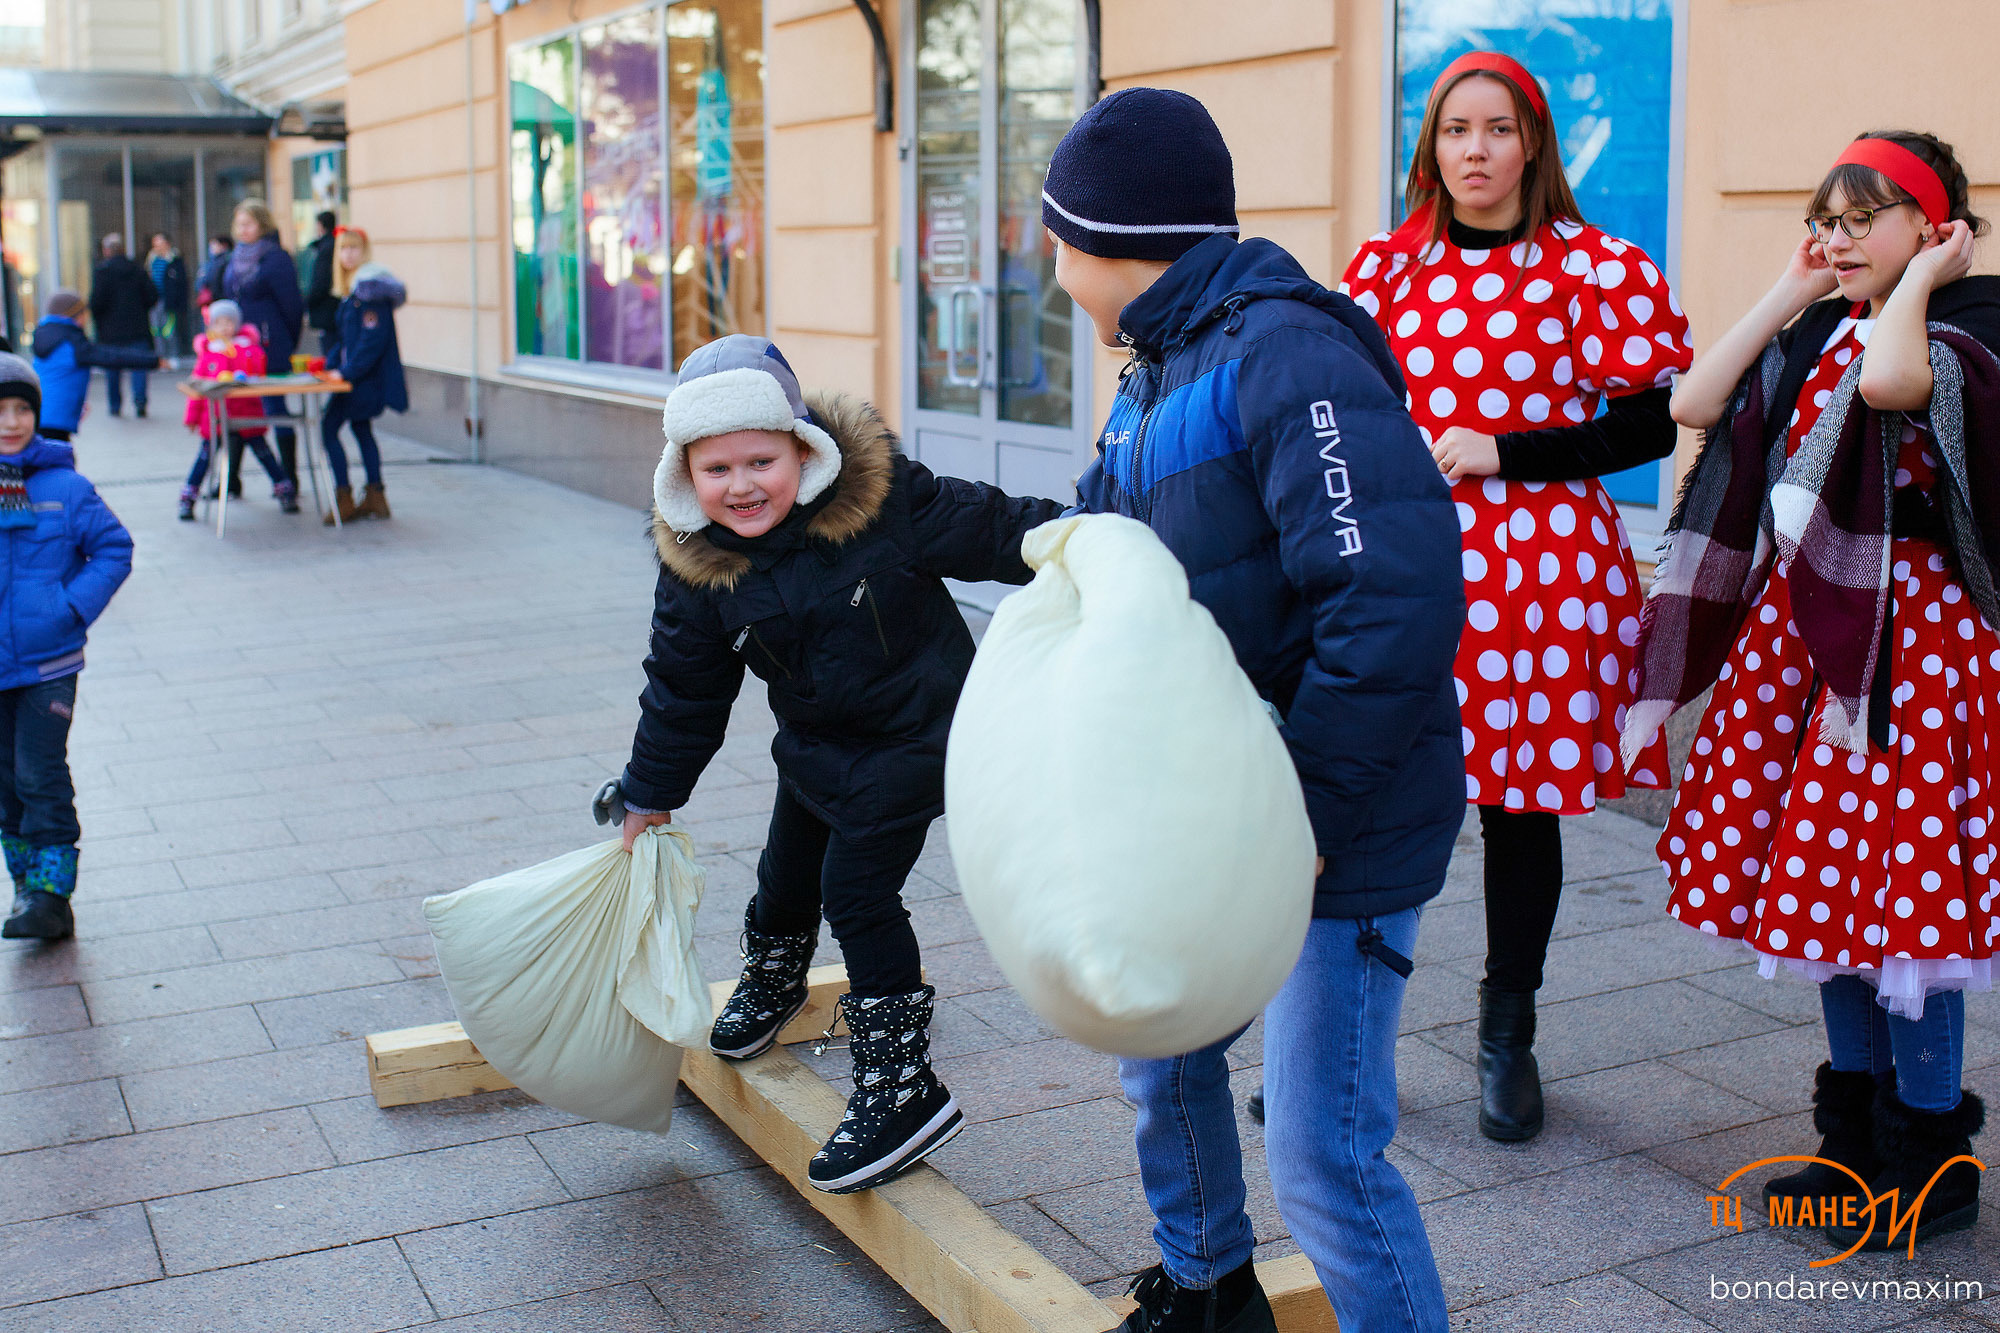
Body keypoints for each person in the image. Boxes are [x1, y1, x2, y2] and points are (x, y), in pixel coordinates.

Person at [1048, 89, 1463, 1333]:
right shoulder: (1160, 365)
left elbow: (1388, 598)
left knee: (1323, 1155)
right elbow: (1096, 543)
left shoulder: (1286, 357)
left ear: (1111, 243)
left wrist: (1307, 809)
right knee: (1160, 1050)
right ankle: (1208, 1288)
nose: (1052, 260)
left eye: (1059, 235)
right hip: (1212, 802)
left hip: (1331, 821)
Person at [1629, 130, 1999, 1251]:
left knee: (1908, 912)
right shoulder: (1820, 324)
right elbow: (1692, 402)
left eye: (1861, 220)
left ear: (1930, 229)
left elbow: (1893, 382)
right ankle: (1851, 1144)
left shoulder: (1967, 322)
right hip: (1801, 650)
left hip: (1910, 652)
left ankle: (1928, 1160)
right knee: (1823, 896)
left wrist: (1927, 275)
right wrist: (1791, 288)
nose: (1835, 239)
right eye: (1824, 220)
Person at [608, 334, 1065, 1196]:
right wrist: (649, 795)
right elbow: (683, 687)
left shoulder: (881, 501)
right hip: (818, 741)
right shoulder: (701, 565)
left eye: (760, 460)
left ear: (803, 450)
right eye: (717, 469)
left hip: (922, 734)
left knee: (855, 889)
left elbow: (998, 528)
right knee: (786, 872)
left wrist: (1089, 537)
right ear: (685, 474)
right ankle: (776, 979)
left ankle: (902, 1085)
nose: (742, 486)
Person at [1334, 51, 1693, 1144]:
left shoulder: (1591, 267)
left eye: (1495, 130)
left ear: (1530, 142)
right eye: (1453, 131)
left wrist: (1506, 448)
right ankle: (1340, 1045)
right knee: (1361, 799)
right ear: (1428, 148)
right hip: (1401, 560)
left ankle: (1505, 1032)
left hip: (1539, 574)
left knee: (1517, 809)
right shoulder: (1383, 270)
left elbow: (1645, 421)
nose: (1473, 151)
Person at [0, 355, 134, 941]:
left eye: (22, 408)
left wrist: (70, 608)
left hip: (48, 662)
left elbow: (113, 547)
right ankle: (27, 888)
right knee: (5, 783)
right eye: (0, 410)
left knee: (38, 773)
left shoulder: (65, 485)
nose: (12, 421)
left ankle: (53, 897)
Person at [179, 300, 295, 520]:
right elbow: (198, 389)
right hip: (215, 419)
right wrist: (192, 418)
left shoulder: (248, 348)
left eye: (229, 322)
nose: (224, 327)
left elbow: (258, 371)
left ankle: (284, 489)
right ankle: (188, 497)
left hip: (247, 414)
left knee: (264, 454)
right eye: (219, 323)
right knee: (205, 458)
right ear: (210, 326)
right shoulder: (208, 354)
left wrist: (242, 353)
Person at [320, 226, 405, 523]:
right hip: (352, 378)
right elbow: (346, 339)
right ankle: (375, 495)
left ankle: (345, 496)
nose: (348, 254)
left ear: (364, 251)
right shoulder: (353, 292)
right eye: (343, 248)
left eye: (354, 248)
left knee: (330, 428)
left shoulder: (370, 290)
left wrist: (345, 372)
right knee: (360, 429)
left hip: (362, 381)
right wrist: (330, 365)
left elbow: (371, 341)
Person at [218, 201, 304, 493]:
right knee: (240, 408)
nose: (243, 229)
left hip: (271, 347)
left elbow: (292, 306)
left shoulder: (276, 258)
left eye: (249, 224)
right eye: (239, 224)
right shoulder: (234, 257)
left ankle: (289, 478)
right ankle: (232, 479)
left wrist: (285, 343)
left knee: (276, 409)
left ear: (262, 225)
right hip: (239, 349)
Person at [31, 292, 162, 443]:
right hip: (55, 420)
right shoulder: (71, 341)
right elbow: (112, 357)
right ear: (76, 315)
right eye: (84, 314)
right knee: (60, 461)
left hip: (43, 415)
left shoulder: (49, 336)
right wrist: (152, 360)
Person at [87, 234, 156, 419]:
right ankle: (140, 403)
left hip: (111, 331)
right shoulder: (137, 269)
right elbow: (152, 296)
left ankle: (115, 405)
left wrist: (101, 319)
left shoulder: (102, 272)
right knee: (139, 365)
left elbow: (96, 303)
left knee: (113, 368)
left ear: (107, 250)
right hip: (137, 327)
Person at [147, 233, 189, 361]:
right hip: (154, 301)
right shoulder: (152, 260)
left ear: (167, 244)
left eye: (159, 244)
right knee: (156, 330)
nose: (157, 248)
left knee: (169, 330)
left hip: (169, 300)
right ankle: (161, 357)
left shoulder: (175, 261)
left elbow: (181, 283)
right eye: (155, 245)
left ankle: (173, 356)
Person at [303, 210, 339, 354]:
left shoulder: (325, 248)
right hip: (331, 307)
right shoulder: (329, 245)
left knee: (330, 351)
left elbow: (321, 281)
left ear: (320, 225)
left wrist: (308, 301)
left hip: (326, 309)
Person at [195, 235, 232, 316]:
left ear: (224, 245)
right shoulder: (212, 262)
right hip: (213, 301)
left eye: (214, 244)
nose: (211, 248)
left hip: (219, 300)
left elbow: (214, 281)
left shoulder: (224, 261)